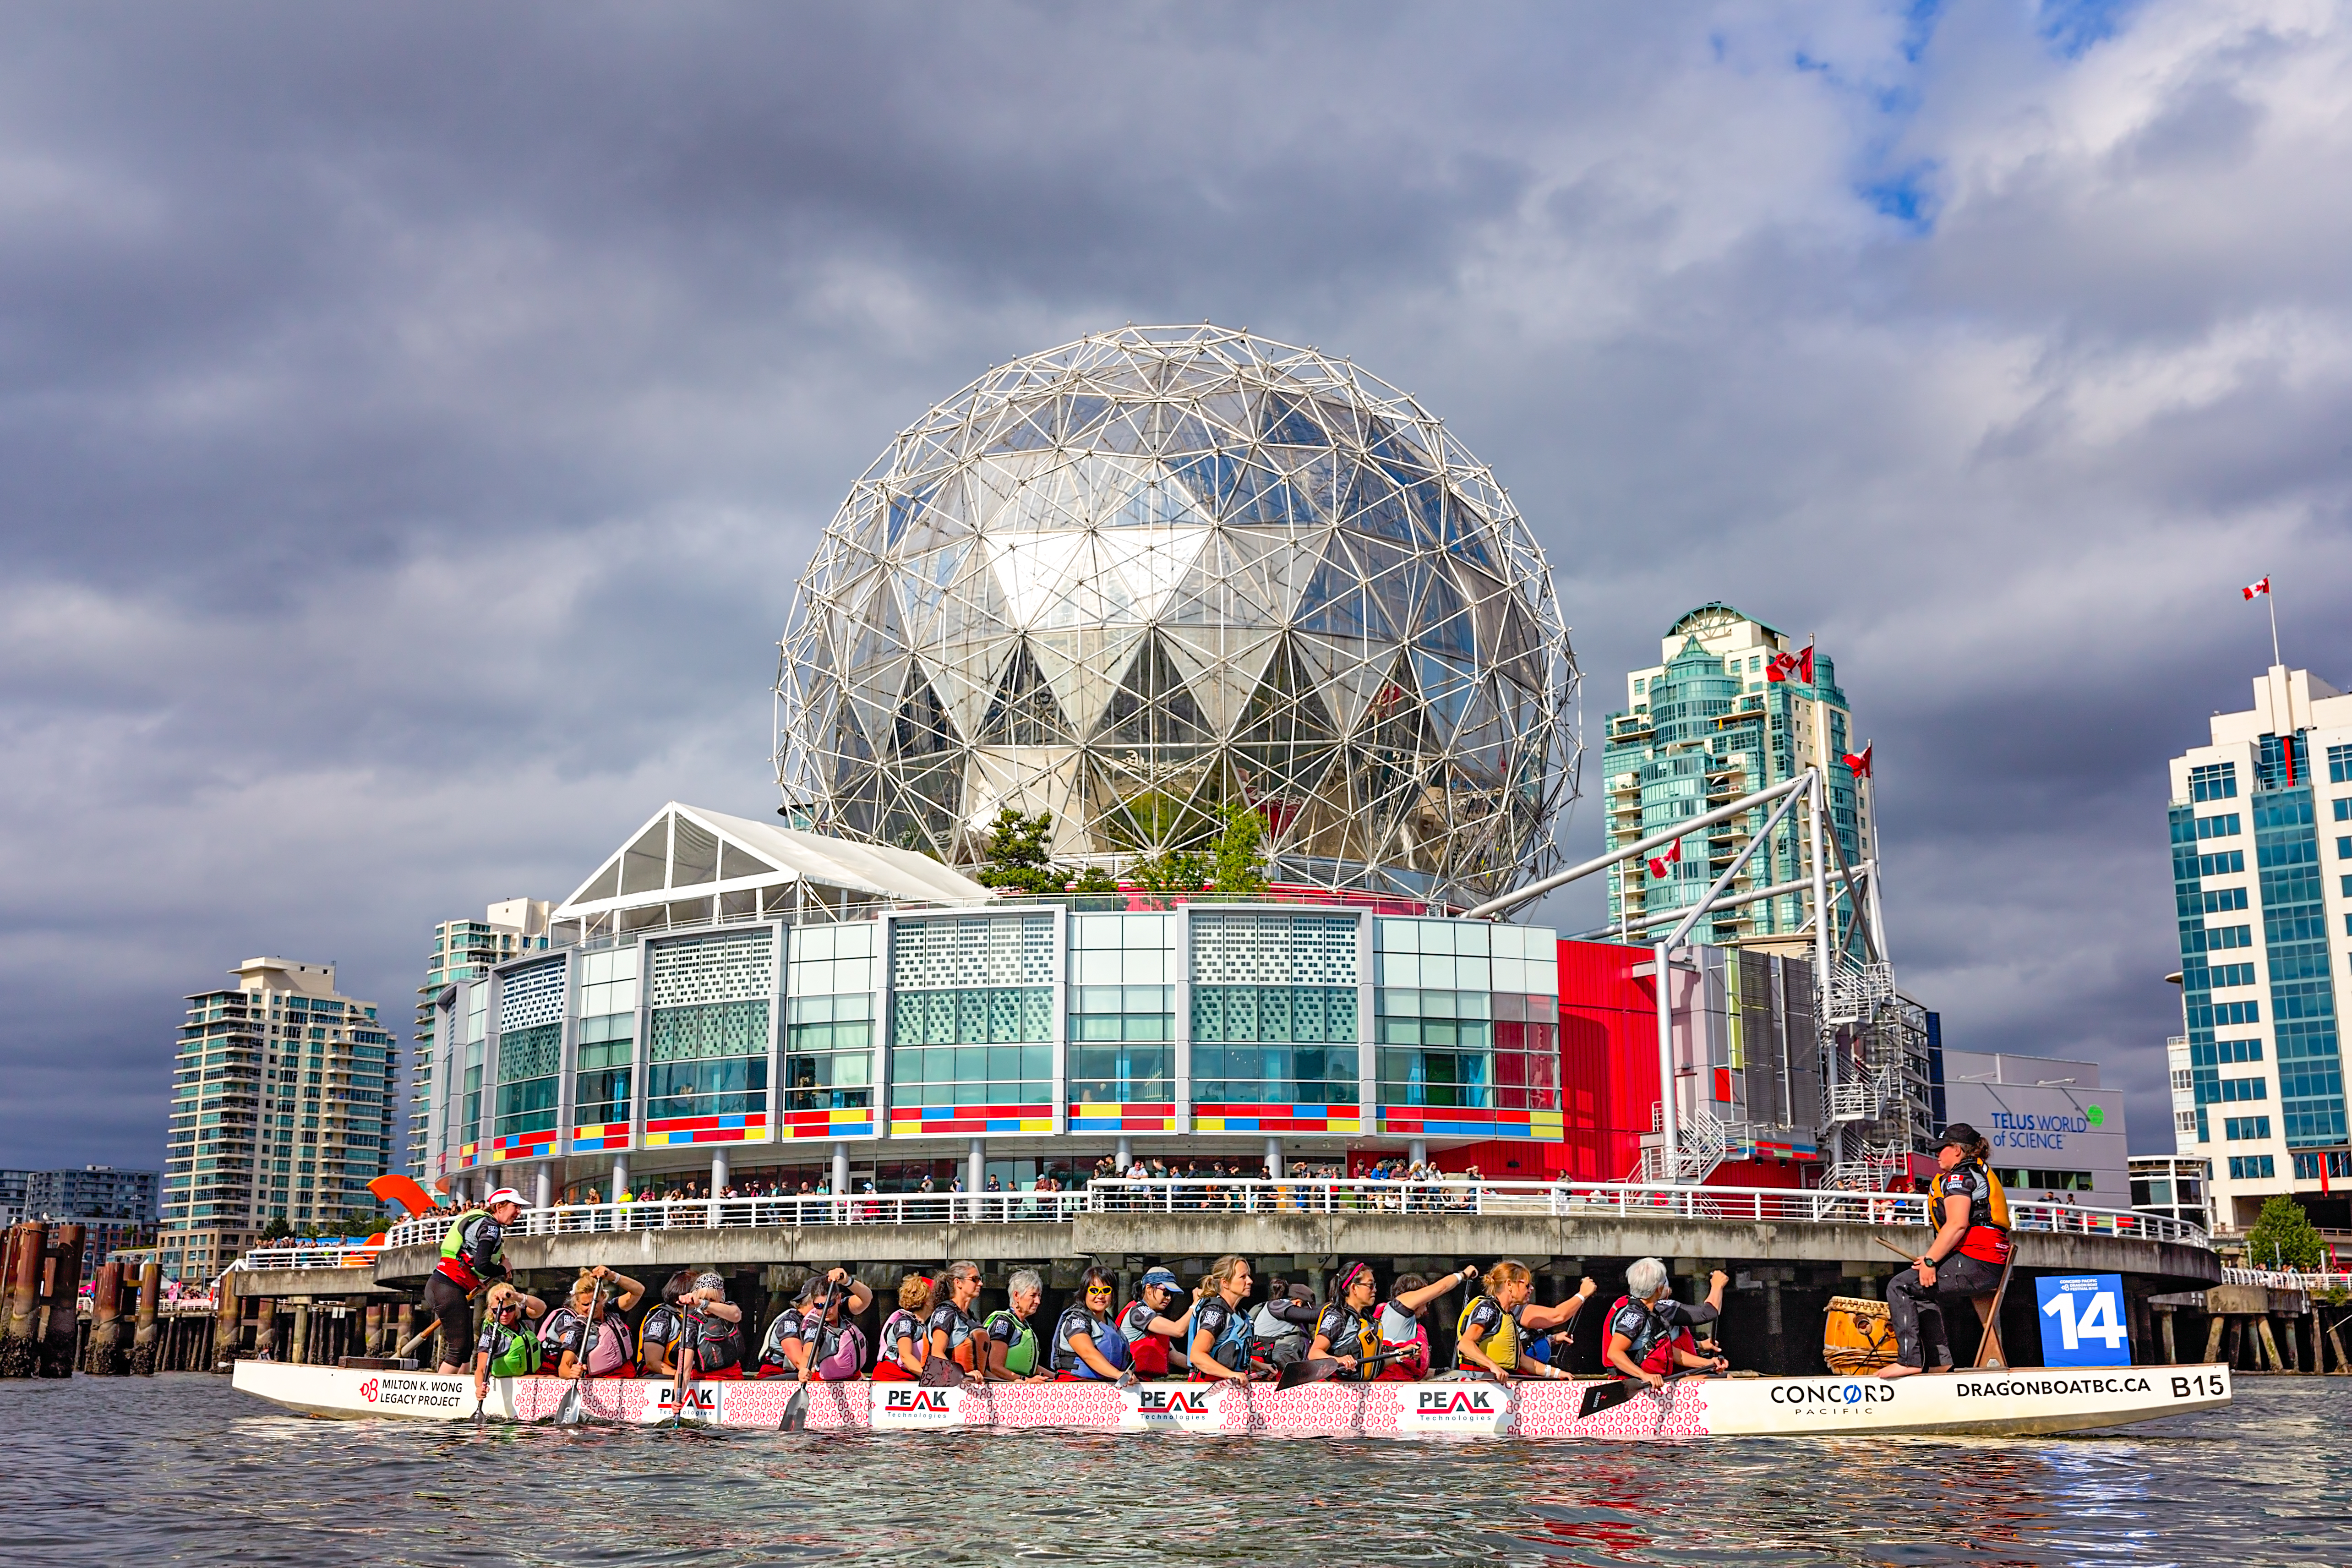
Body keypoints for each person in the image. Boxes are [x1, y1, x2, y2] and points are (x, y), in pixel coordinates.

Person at [1881, 1122, 2013, 1379]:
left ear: (1956, 1150)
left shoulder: (1958, 1177)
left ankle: (1909, 1361)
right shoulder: (1975, 1172)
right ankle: (1939, 1362)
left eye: (1941, 1149)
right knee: (1920, 1287)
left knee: (1900, 1286)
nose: (1937, 1155)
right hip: (1985, 1260)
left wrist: (1931, 1260)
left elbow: (1957, 1224)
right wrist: (1931, 1261)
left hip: (1978, 1262)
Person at [426, 1186, 526, 1374]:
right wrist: (503, 1269)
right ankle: (440, 1398)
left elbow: (469, 1260)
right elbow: (482, 1265)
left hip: (443, 1285)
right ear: (500, 1207)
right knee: (458, 1350)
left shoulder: (481, 1221)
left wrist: (474, 1281)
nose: (519, 1212)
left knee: (465, 1350)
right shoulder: (491, 1227)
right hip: (448, 1287)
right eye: (516, 1206)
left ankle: (460, 1393)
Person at [1604, 1257, 1729, 1388]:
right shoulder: (1636, 1316)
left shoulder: (1654, 1310)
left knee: (1726, 1378)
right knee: (1725, 1382)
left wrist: (1708, 1363)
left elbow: (1668, 1351)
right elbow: (1614, 1353)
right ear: (1659, 1289)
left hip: (1659, 1380)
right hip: (1641, 1383)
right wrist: (1644, 1375)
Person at [1457, 1261, 1577, 1381]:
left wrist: (1558, 1373)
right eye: (1526, 1285)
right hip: (1475, 1382)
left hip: (1497, 1382)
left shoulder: (1508, 1316)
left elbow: (1522, 1360)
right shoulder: (1489, 1309)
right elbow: (1465, 1344)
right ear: (1510, 1285)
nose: (1531, 1289)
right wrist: (1492, 1366)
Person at [540, 1265, 646, 1380]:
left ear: (604, 1297)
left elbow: (638, 1291)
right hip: (602, 1384)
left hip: (628, 1379)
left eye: (595, 1302)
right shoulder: (577, 1328)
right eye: (586, 1304)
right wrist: (571, 1373)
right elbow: (563, 1368)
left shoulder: (612, 1310)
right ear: (577, 1303)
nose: (591, 1308)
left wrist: (612, 1276)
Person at [1371, 1267, 1474, 1379]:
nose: (1426, 1309)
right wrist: (1463, 1274)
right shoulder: (1399, 1308)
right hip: (1388, 1387)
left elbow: (1407, 1370)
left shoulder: (1407, 1324)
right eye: (1426, 1302)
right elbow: (1441, 1287)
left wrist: (1441, 1372)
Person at [470, 1281, 550, 1403]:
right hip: (509, 1382)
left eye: (510, 1309)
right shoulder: (491, 1333)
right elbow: (481, 1369)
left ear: (516, 1307)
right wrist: (480, 1387)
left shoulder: (523, 1317)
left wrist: (517, 1297)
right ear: (490, 1309)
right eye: (498, 1311)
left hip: (529, 1379)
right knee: (550, 1378)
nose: (505, 1314)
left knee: (552, 1377)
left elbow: (542, 1308)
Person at [1051, 1265, 1132, 1380]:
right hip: (1076, 1388)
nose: (1100, 1296)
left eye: (1106, 1291)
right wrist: (1119, 1375)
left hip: (1106, 1388)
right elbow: (1087, 1353)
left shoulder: (1110, 1325)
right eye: (1094, 1291)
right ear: (1084, 1293)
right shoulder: (1076, 1320)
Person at [1187, 1255, 1260, 1382]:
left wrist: (1259, 1366)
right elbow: (1197, 1355)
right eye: (1243, 1277)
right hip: (1208, 1391)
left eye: (1248, 1276)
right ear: (1225, 1283)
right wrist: (1230, 1374)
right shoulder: (1216, 1312)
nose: (1250, 1281)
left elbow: (1229, 1355)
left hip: (1229, 1390)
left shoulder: (1239, 1314)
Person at [1119, 1266, 1195, 1378]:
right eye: (1166, 1292)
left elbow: (1174, 1356)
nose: (1169, 1298)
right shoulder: (1139, 1312)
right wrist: (1195, 1305)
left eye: (1172, 1294)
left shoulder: (1153, 1316)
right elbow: (1179, 1330)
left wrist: (1203, 1367)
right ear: (1149, 1289)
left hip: (1142, 1382)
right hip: (1130, 1381)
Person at [982, 1268, 1049, 1381]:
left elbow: (1028, 1367)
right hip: (1000, 1390)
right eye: (1033, 1295)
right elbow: (995, 1367)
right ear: (1017, 1295)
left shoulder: (1023, 1325)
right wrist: (1025, 1380)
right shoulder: (1004, 1324)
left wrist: (1057, 1377)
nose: (1038, 1301)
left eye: (1039, 1296)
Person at [678, 1271, 746, 1379]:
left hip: (734, 1377)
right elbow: (685, 1368)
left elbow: (736, 1316)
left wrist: (703, 1304)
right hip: (706, 1379)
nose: (708, 1303)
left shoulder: (729, 1309)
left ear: (721, 1296)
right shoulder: (692, 1321)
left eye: (712, 1300)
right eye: (704, 1298)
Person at [928, 1260, 988, 1377]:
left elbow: (982, 1373)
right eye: (975, 1279)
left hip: (972, 1388)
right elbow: (936, 1354)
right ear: (958, 1283)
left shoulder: (972, 1318)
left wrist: (1017, 1382)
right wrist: (964, 1375)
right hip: (949, 1388)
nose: (980, 1284)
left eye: (981, 1279)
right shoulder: (946, 1313)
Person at [872, 1273, 935, 1382]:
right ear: (928, 1300)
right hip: (891, 1379)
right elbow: (905, 1356)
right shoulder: (905, 1323)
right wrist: (933, 1378)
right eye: (937, 1296)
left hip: (910, 1379)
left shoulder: (925, 1325)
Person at [637, 1270, 695, 1380]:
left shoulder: (696, 1317)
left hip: (690, 1379)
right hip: (660, 1380)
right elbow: (652, 1363)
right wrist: (682, 1377)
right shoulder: (662, 1317)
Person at [1250, 1278, 1319, 1367]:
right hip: (1260, 1367)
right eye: (1307, 1309)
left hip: (1267, 1368)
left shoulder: (1275, 1313)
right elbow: (1314, 1316)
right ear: (1298, 1303)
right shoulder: (1278, 1305)